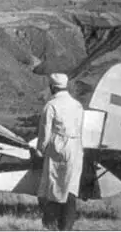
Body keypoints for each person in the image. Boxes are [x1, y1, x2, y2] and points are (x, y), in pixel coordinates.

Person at [36, 73, 84, 230]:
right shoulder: (77, 105)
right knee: (70, 187)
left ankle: (51, 224)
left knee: (53, 187)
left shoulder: (51, 106)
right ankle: (67, 226)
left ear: (52, 87)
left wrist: (40, 149)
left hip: (58, 148)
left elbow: (45, 132)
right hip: (76, 147)